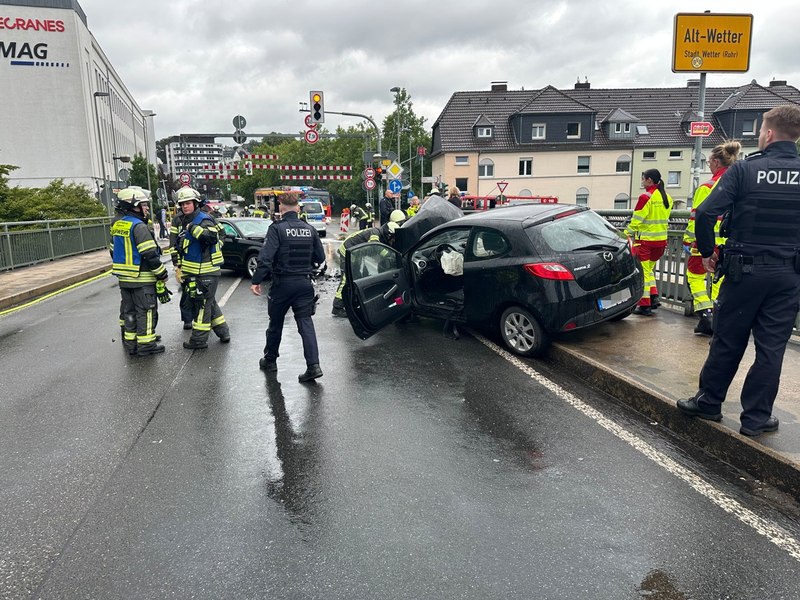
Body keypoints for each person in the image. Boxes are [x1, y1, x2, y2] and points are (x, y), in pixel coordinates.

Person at [677, 105, 800, 437]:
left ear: (769, 134)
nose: (760, 135)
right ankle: (757, 419)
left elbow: (704, 214)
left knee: (728, 341)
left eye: (761, 130)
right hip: (788, 276)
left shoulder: (745, 171)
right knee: (772, 349)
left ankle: (708, 403)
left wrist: (707, 254)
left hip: (744, 272)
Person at [251, 192, 326, 382]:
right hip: (304, 283)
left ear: (280, 208)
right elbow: (320, 257)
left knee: (275, 323)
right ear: (298, 209)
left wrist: (256, 280)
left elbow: (266, 257)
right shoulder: (309, 229)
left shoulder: (277, 229)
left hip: (282, 284)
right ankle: (313, 366)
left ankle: (270, 360)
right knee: (306, 324)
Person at [683, 141, 742, 335]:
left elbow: (697, 218)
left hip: (706, 243)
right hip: (731, 245)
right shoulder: (739, 185)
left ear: (716, 162)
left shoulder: (707, 187)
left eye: (709, 161)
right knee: (720, 281)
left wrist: (688, 240)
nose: (708, 165)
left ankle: (705, 314)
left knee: (695, 276)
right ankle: (717, 317)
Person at [110, 187, 169, 356]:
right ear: (133, 206)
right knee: (146, 312)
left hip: (124, 279)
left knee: (129, 312)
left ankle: (131, 344)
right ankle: (146, 345)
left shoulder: (118, 225)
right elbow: (149, 254)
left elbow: (113, 251)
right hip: (141, 278)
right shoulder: (139, 227)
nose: (146, 208)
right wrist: (162, 274)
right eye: (143, 204)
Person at [175, 187, 231, 349]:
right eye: (182, 204)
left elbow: (212, 237)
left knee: (201, 305)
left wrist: (192, 228)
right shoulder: (187, 220)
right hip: (195, 272)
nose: (185, 206)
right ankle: (223, 332)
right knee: (209, 302)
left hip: (205, 272)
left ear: (196, 203)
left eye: (188, 203)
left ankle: (198, 340)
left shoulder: (203, 220)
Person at [331, 210, 406, 317]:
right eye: (392, 238)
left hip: (356, 254)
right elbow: (374, 247)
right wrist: (390, 256)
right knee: (346, 279)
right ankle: (337, 307)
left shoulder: (382, 236)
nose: (393, 240)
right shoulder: (375, 234)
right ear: (388, 235)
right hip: (347, 251)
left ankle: (353, 301)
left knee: (357, 277)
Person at [625, 169, 673, 316]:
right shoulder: (667, 197)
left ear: (649, 180)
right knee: (648, 271)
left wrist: (625, 233)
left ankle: (645, 305)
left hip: (645, 241)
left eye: (643, 179)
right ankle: (654, 297)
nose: (642, 182)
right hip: (661, 242)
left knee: (644, 273)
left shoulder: (645, 197)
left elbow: (637, 221)